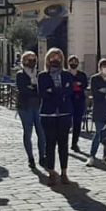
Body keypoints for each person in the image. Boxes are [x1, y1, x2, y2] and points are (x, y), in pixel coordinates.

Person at [38, 48, 74, 185]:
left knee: (63, 144)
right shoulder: (42, 76)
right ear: (48, 59)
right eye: (52, 57)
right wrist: (59, 92)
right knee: (50, 144)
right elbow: (43, 93)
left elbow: (69, 91)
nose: (55, 60)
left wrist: (53, 91)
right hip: (48, 114)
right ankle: (52, 172)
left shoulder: (67, 75)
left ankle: (64, 172)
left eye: (58, 57)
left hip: (64, 113)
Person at [16, 51, 46, 169]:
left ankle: (42, 156)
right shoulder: (20, 74)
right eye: (29, 59)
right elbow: (23, 89)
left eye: (34, 59)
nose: (32, 61)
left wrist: (33, 88)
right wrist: (34, 89)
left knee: (41, 133)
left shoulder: (39, 74)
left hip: (39, 106)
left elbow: (41, 90)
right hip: (25, 106)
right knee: (27, 132)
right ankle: (30, 158)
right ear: (24, 60)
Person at [67, 55, 89, 153]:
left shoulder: (82, 74)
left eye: (76, 62)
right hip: (68, 100)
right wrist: (75, 84)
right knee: (67, 123)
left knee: (77, 122)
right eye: (72, 61)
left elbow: (84, 84)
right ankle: (64, 143)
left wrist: (75, 85)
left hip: (79, 100)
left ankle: (74, 143)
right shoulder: (66, 74)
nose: (74, 63)